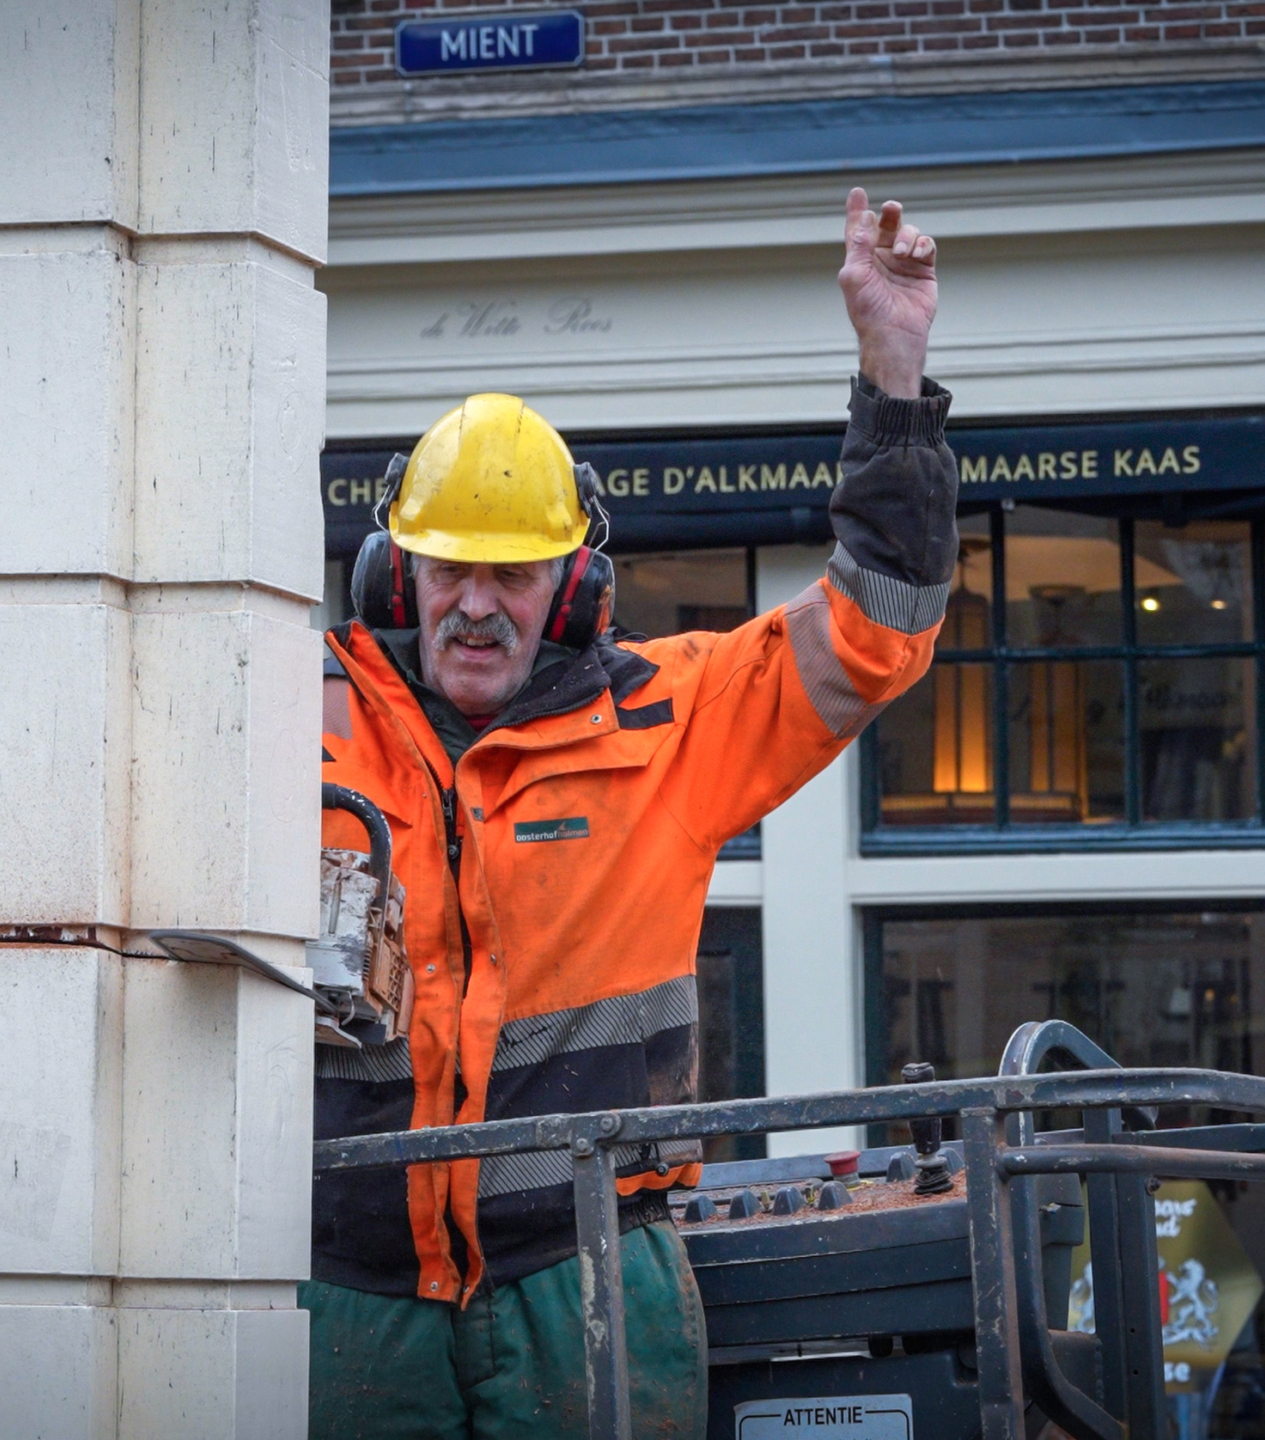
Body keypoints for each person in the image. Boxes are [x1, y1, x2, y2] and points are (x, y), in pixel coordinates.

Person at [307, 188, 958, 1439]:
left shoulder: (671, 720)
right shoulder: (290, 723)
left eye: (514, 571)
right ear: (398, 573)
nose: (477, 605)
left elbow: (879, 633)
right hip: (345, 1286)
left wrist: (893, 367)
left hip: (590, 1274)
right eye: (452, 570)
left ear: (573, 584)